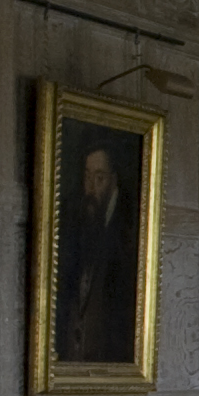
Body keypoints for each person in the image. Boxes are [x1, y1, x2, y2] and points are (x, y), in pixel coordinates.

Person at [53, 135, 139, 367]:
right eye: (87, 177)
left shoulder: (129, 228)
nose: (90, 188)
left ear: (114, 180)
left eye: (99, 178)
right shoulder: (80, 220)